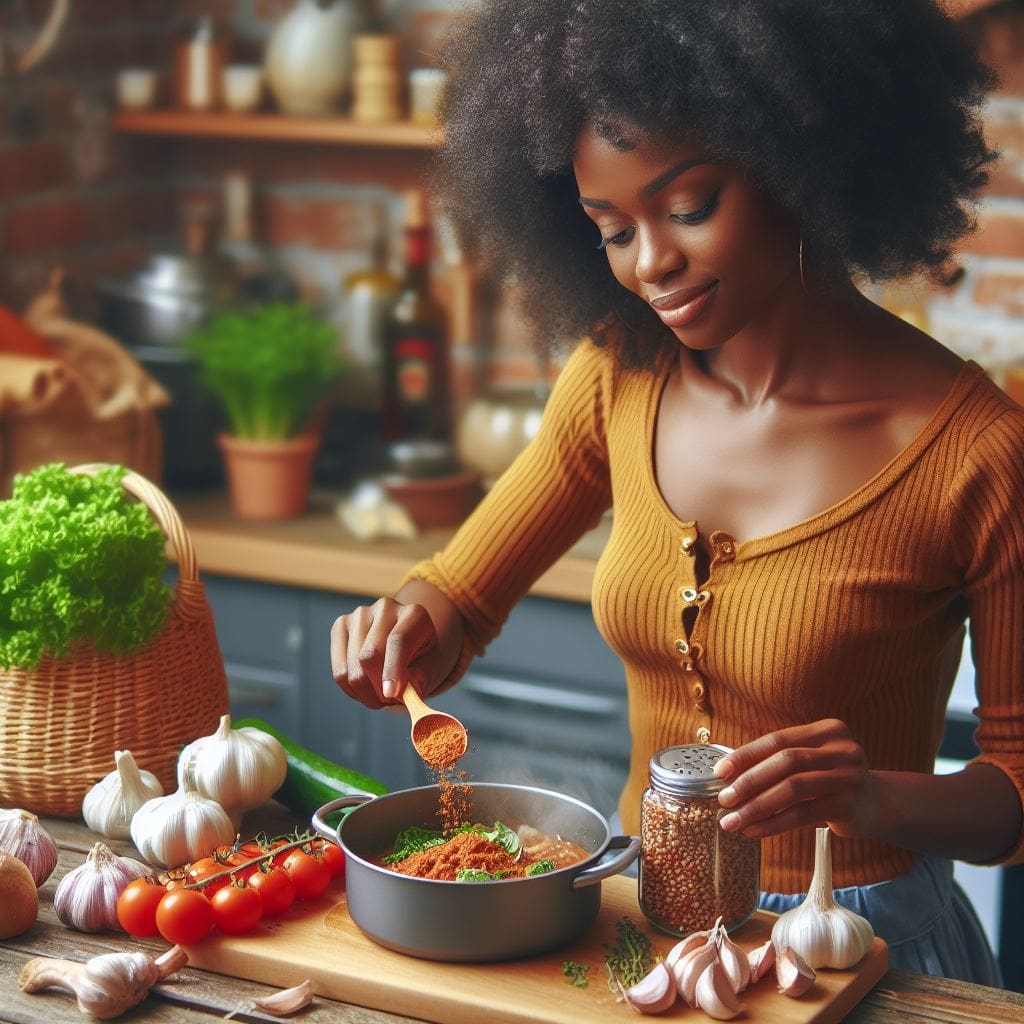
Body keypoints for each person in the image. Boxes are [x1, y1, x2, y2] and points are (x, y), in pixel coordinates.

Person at [330, 0, 1023, 985]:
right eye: (610, 228)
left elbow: (1015, 792)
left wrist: (871, 797)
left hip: (858, 951)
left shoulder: (977, 454)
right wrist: (403, 631)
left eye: (688, 205)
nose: (649, 262)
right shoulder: (618, 376)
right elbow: (458, 598)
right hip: (641, 937)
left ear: (797, 157)